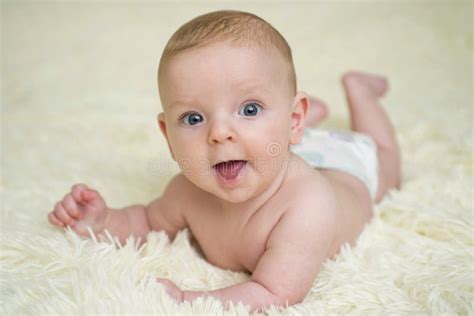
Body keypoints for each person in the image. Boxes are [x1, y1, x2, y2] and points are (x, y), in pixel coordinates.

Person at [47, 10, 401, 311]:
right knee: (263, 144)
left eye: (249, 109)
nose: (219, 133)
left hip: (346, 169)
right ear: (168, 136)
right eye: (193, 119)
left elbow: (274, 292)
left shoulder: (308, 207)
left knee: (384, 159)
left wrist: (191, 298)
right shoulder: (187, 191)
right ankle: (298, 120)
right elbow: (146, 220)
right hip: (276, 150)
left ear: (294, 120)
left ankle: (360, 92)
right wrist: (101, 220)